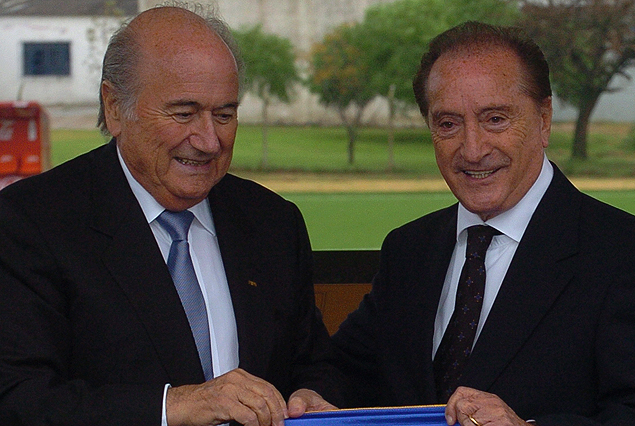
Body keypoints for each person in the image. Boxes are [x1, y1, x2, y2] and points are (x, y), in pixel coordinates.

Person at [0, 4, 342, 426]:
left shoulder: (272, 222)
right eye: (184, 114)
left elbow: (315, 364)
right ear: (114, 107)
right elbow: (18, 399)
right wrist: (174, 406)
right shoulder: (31, 223)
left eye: (225, 115)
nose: (209, 141)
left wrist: (311, 396)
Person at [331, 21, 635, 425]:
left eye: (495, 119)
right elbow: (343, 373)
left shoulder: (621, 252)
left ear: (544, 120)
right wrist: (308, 395)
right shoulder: (409, 249)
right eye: (448, 124)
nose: (472, 150)